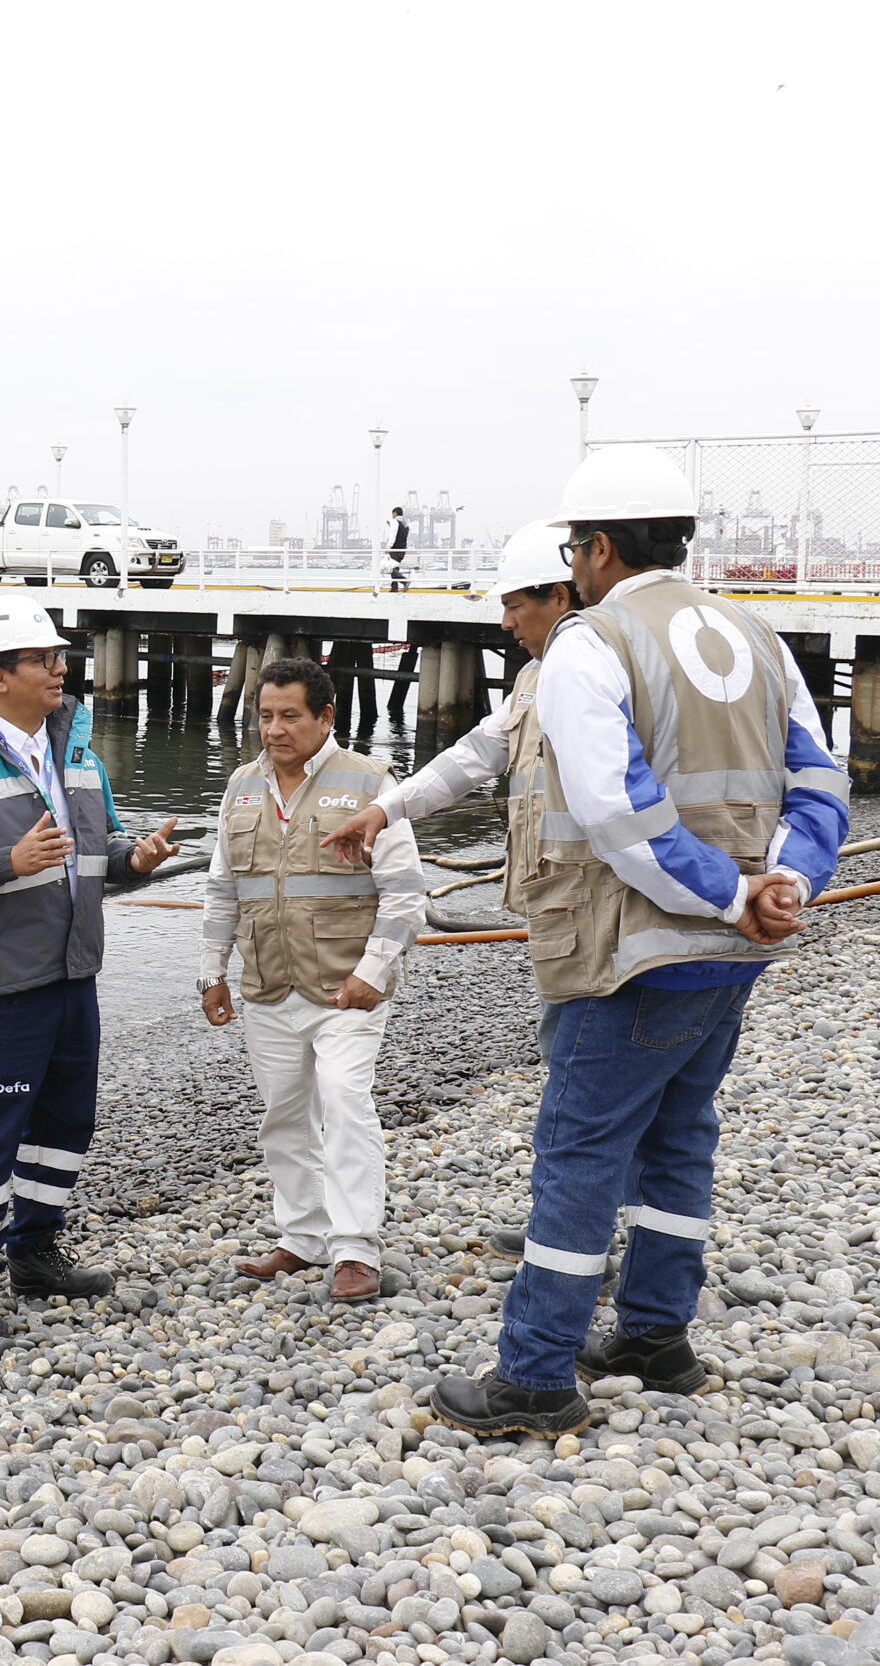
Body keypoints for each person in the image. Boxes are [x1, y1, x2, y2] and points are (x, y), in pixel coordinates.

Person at [425, 445, 849, 1436]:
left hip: (632, 950)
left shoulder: (592, 642)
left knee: (578, 1152)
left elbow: (617, 811)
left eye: (575, 548)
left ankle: (532, 1376)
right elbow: (820, 779)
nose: (572, 565)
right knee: (679, 1140)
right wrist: (780, 884)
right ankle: (656, 1337)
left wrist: (728, 894)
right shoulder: (757, 638)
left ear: (600, 547)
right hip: (733, 952)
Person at [0, 603, 180, 1342]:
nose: (61, 667)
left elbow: (101, 851)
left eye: (60, 655)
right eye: (42, 657)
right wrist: (5, 861)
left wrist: (135, 861)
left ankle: (36, 1252)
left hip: (73, 976)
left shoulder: (79, 752)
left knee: (63, 1125)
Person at [325, 519, 592, 1253]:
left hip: (597, 914)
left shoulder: (592, 667)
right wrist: (387, 806)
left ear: (559, 593)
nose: (505, 624)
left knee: (585, 1074)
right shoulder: (541, 677)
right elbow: (479, 754)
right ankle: (573, 1221)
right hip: (560, 911)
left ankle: (581, 1234)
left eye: (515, 605)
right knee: (570, 1065)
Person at [199, 659, 429, 1302]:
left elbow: (407, 895)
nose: (273, 729)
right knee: (283, 1114)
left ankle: (356, 1248)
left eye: (288, 716)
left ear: (326, 717)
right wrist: (210, 974)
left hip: (343, 988)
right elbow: (223, 891)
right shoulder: (242, 786)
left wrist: (372, 973)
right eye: (264, 716)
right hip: (268, 984)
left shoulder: (370, 784)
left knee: (344, 1102)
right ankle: (302, 1237)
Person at [385, 506, 412, 594]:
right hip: (402, 549)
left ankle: (404, 581)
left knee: (391, 567)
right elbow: (402, 536)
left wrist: (388, 547)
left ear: (395, 513)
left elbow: (393, 536)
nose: (392, 516)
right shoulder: (405, 524)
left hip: (395, 549)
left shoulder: (394, 521)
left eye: (392, 514)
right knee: (395, 567)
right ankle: (394, 588)